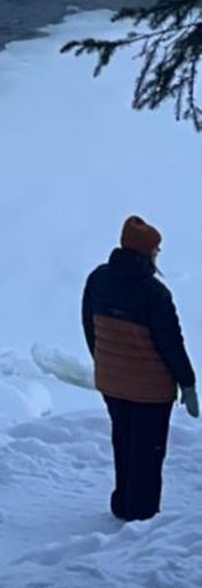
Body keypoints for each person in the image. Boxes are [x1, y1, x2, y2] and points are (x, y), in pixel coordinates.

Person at [82, 214, 198, 522]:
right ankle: (141, 517)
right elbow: (171, 343)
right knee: (148, 453)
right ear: (145, 252)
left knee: (123, 442)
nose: (158, 253)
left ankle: (121, 504)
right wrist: (187, 383)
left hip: (113, 383)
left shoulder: (98, 278)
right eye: (156, 249)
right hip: (151, 390)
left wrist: (105, 362)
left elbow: (90, 327)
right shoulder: (154, 293)